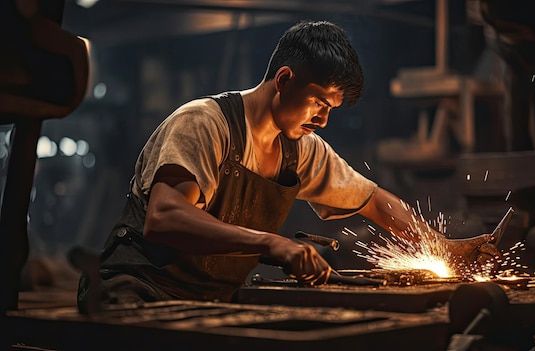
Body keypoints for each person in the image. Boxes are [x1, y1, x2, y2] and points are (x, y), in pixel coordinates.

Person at [77, 20, 499, 311]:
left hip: (210, 301)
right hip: (140, 290)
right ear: (283, 80)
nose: (322, 118)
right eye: (318, 101)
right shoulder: (203, 124)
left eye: (331, 108)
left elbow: (373, 200)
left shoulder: (302, 148)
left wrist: (438, 248)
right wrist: (271, 244)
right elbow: (165, 218)